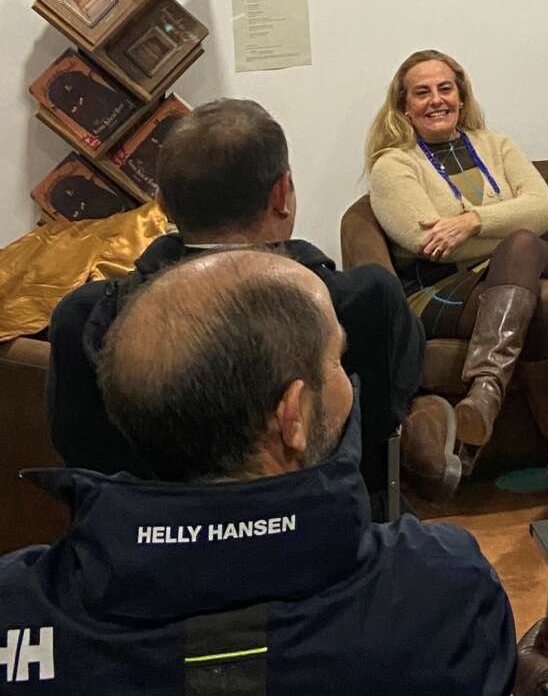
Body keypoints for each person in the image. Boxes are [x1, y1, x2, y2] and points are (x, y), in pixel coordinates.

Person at [1, 249, 514, 696]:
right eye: (336, 360)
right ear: (291, 416)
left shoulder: (16, 613)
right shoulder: (448, 592)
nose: (346, 381)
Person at [47, 97, 456, 506]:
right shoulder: (366, 300)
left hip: (141, 538)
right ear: (281, 193)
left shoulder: (82, 318)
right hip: (329, 530)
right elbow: (385, 419)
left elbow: (82, 454)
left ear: (163, 204)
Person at [365, 49, 548, 467]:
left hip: (523, 264)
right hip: (444, 288)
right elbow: (430, 243)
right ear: (404, 107)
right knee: (547, 301)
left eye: (445, 88)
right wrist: (506, 225)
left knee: (522, 245)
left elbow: (544, 210)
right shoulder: (393, 165)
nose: (436, 100)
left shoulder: (496, 145)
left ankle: (485, 393)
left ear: (461, 97)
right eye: (421, 92)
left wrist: (472, 222)